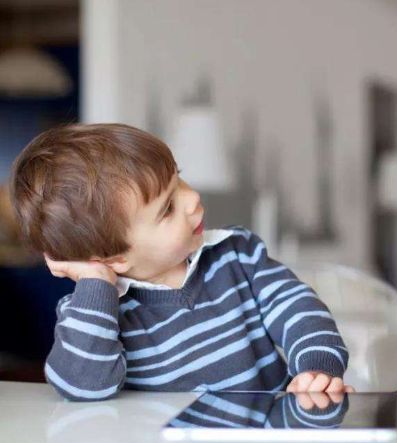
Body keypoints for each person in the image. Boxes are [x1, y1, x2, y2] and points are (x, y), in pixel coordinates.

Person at [10, 123, 350, 401]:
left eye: (179, 178)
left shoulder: (237, 254)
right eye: (167, 209)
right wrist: (97, 283)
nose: (192, 198)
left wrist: (315, 366)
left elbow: (297, 307)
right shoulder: (95, 314)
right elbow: (82, 386)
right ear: (115, 258)